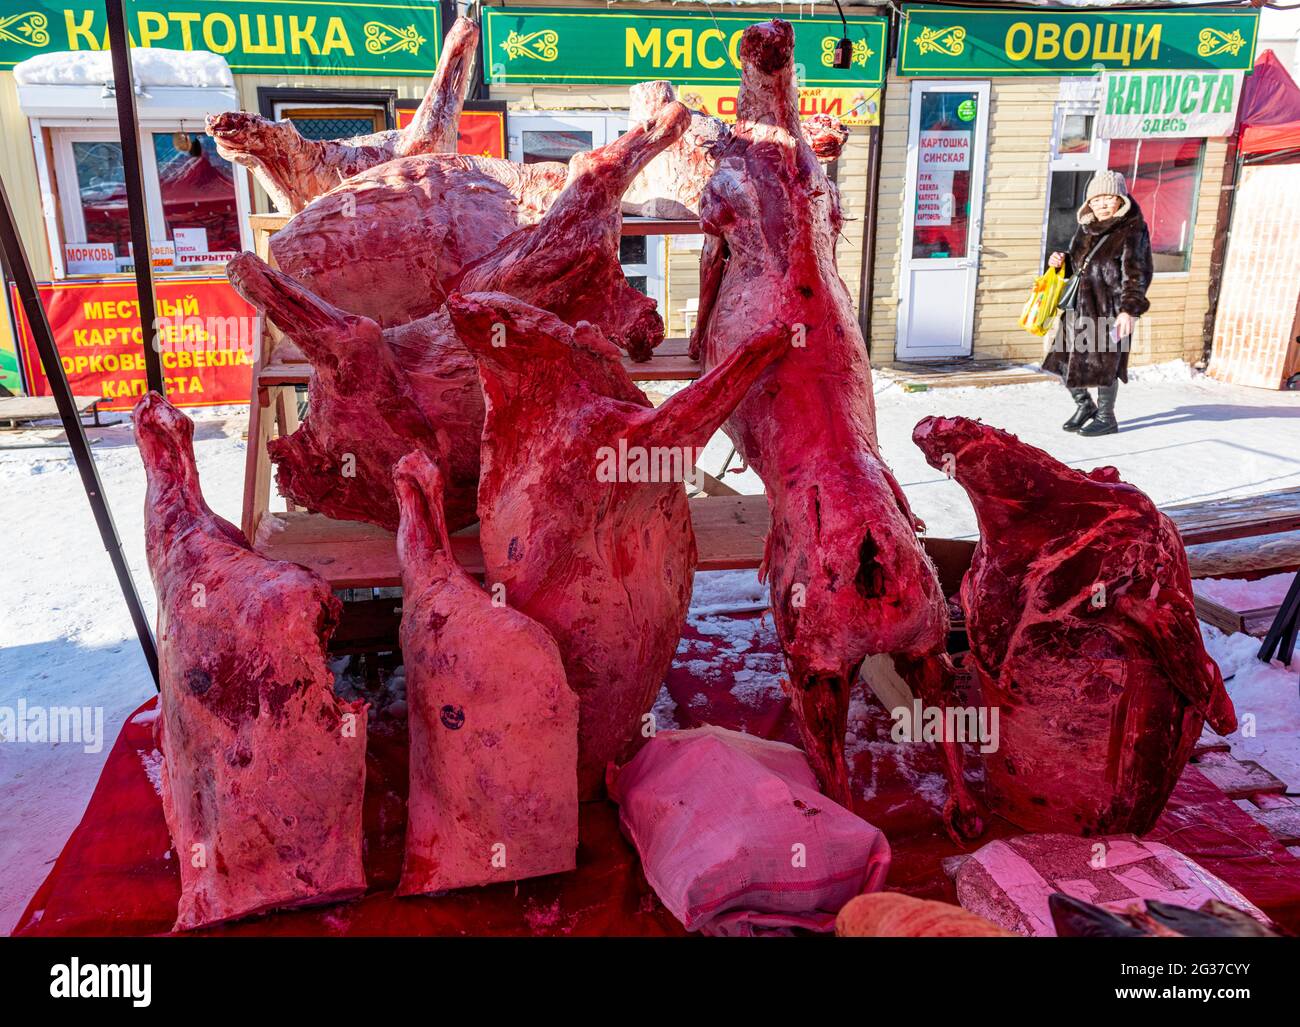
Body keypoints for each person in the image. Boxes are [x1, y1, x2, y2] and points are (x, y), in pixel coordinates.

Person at [1044, 170, 1153, 436]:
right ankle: (1085, 405)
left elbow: (1137, 274)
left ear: (1120, 199)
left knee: (1106, 364)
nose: (1102, 204)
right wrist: (1062, 261)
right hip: (1078, 307)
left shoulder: (1132, 230)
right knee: (1062, 359)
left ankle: (1106, 418)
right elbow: (1081, 265)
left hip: (1111, 310)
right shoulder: (1087, 227)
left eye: (1108, 198)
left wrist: (1129, 310)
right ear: (1088, 203)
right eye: (1096, 199)